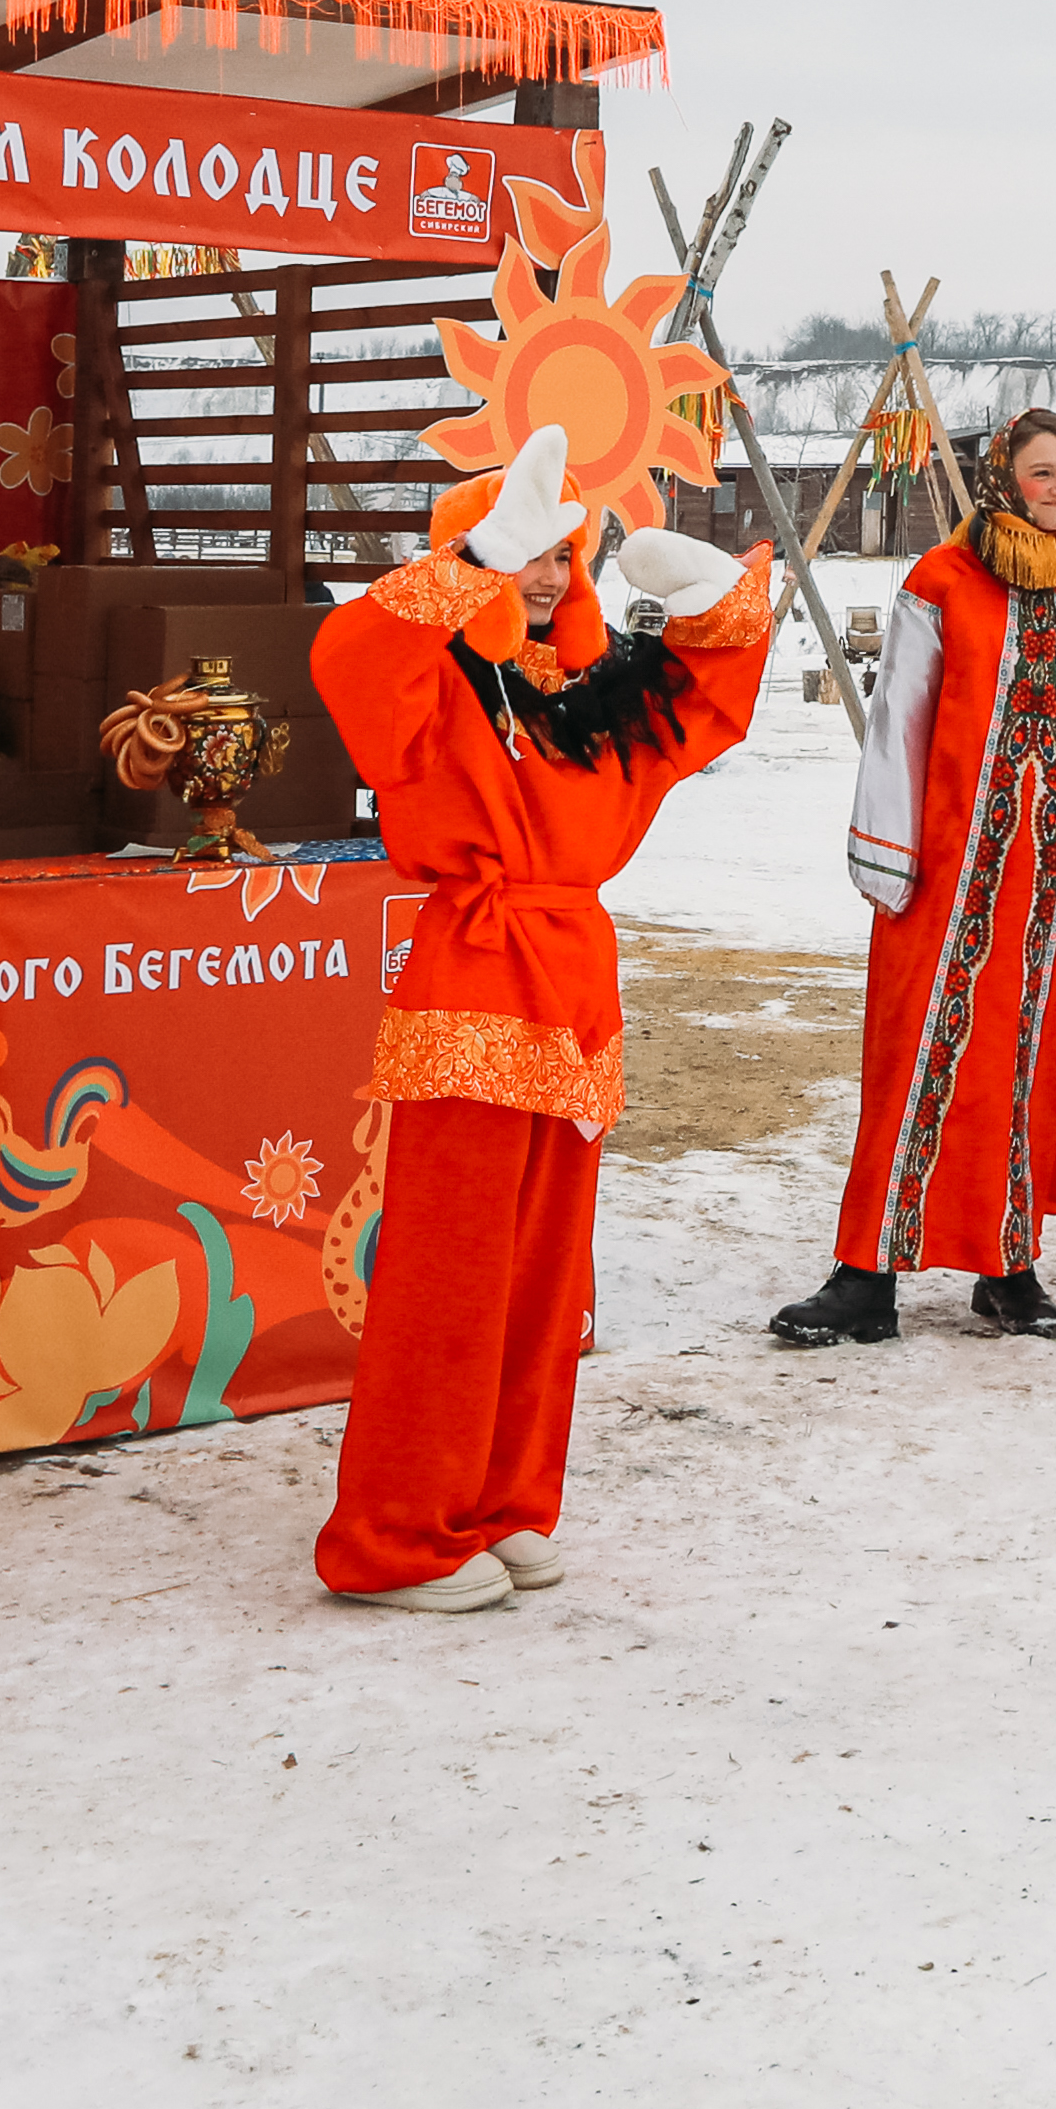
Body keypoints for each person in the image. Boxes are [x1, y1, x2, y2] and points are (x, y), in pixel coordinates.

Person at [304, 424, 771, 1609]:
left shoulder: (589, 699)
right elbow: (350, 656)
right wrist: (477, 556)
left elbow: (704, 710)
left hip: (572, 988)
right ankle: (395, 1533)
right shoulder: (434, 688)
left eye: (565, 550)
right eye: (530, 552)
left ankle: (502, 1499)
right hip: (476, 973)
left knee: (542, 1280)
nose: (553, 574)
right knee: (449, 1277)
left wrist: (710, 595)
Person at [773, 407, 1056, 1347]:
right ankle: (867, 1272)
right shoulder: (943, 580)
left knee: (1034, 1058)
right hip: (953, 861)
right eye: (1041, 472)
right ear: (1002, 480)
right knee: (917, 1052)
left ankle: (1008, 1266)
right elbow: (900, 715)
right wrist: (887, 845)